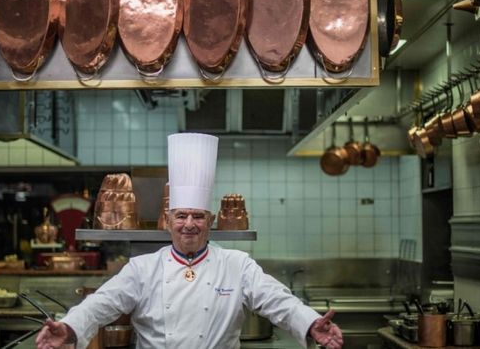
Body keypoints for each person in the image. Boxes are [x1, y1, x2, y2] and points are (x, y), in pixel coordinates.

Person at [36, 133, 343, 349]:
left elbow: (278, 300)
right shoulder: (143, 268)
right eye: (181, 216)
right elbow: (102, 304)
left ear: (209, 221)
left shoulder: (236, 265)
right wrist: (70, 327)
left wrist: (310, 323)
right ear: (169, 221)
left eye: (198, 216)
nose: (189, 225)